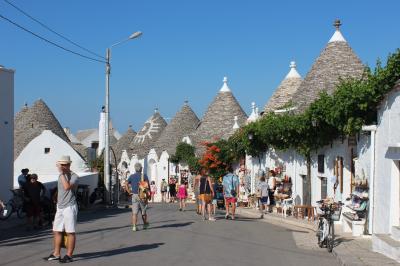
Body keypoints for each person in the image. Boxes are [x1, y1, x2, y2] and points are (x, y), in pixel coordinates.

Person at [46, 155, 79, 263]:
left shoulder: (74, 176)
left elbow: (67, 187)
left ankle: (69, 255)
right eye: (61, 165)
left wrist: (62, 174)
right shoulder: (61, 176)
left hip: (70, 206)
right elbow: (61, 189)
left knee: (70, 232)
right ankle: (56, 253)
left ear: (69, 165)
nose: (62, 167)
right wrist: (55, 196)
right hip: (60, 206)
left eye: (65, 165)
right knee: (56, 230)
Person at [125, 163, 150, 232]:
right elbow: (148, 186)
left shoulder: (132, 176)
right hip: (142, 196)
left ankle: (134, 226)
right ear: (141, 168)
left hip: (134, 195)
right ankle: (145, 225)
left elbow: (126, 183)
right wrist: (149, 195)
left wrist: (129, 191)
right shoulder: (144, 176)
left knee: (134, 212)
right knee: (143, 211)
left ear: (135, 168)